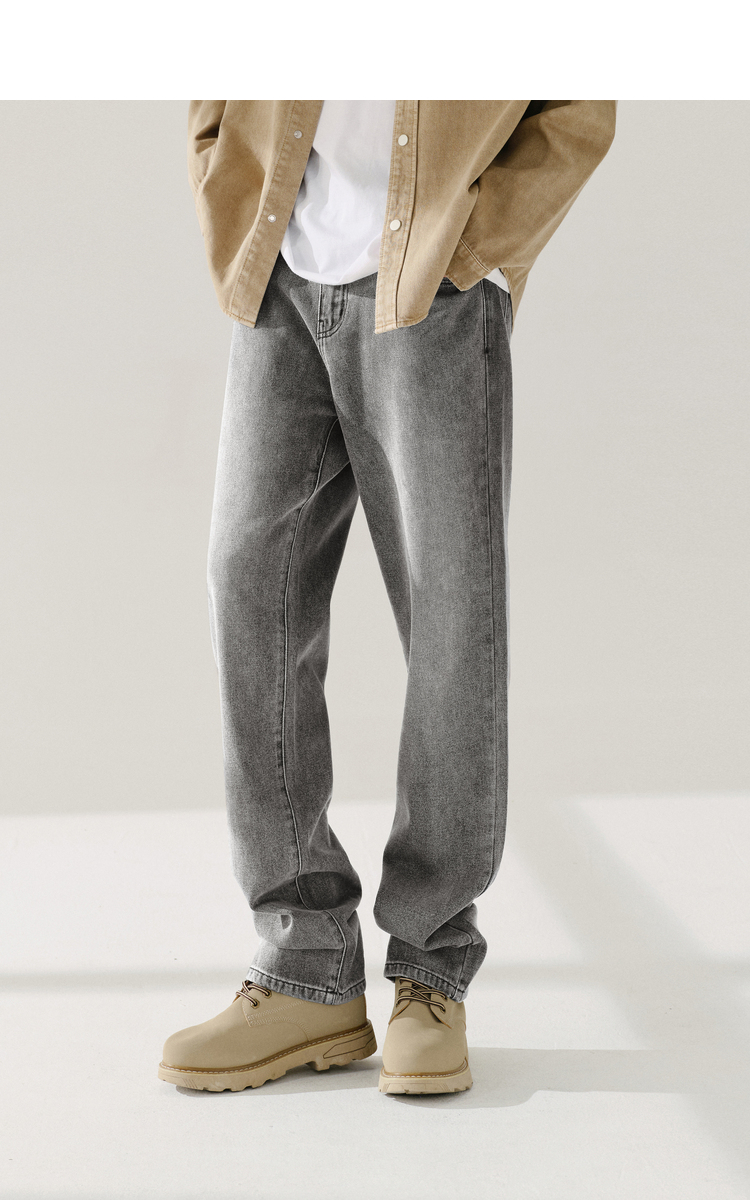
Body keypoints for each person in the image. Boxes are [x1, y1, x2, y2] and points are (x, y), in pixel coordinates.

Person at [158, 99, 617, 1096]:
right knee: (246, 583)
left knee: (450, 616)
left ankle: (431, 969)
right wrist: (224, 179)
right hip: (282, 272)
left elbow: (583, 101)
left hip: (433, 286)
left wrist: (478, 253)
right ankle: (306, 965)